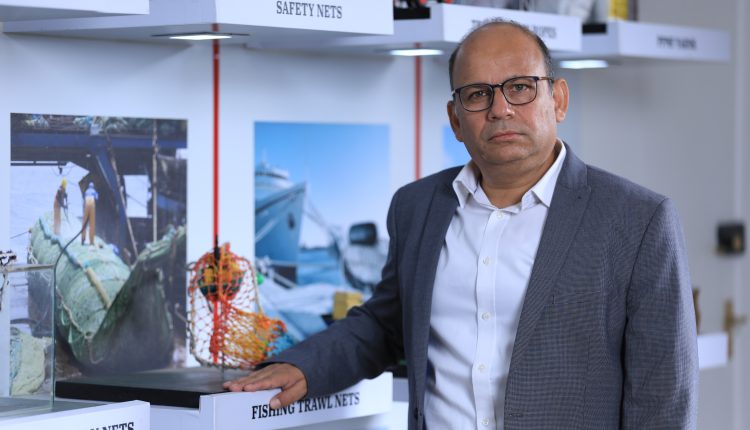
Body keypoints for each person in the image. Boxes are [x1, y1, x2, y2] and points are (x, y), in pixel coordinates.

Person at [225, 19, 698, 429]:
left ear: (558, 99)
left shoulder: (637, 221)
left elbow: (663, 399)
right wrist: (306, 367)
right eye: (477, 94)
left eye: (520, 87)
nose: (500, 109)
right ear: (455, 119)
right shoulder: (416, 207)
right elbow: (387, 324)